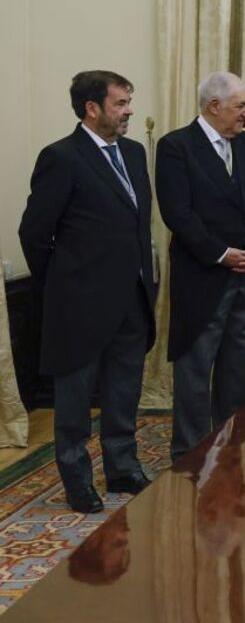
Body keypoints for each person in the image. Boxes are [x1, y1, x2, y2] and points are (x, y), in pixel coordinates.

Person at [19, 70, 157, 513]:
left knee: (124, 392)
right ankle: (77, 480)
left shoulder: (134, 153)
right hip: (79, 304)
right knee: (75, 400)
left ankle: (123, 468)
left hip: (132, 300)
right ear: (92, 108)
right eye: (121, 103)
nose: (129, 110)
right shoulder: (61, 157)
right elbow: (35, 233)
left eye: (129, 102)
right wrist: (62, 284)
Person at [157, 71, 245, 461]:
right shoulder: (177, 146)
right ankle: (190, 456)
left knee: (240, 370)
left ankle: (232, 448)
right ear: (214, 106)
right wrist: (221, 253)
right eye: (241, 106)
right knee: (195, 371)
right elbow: (178, 213)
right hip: (203, 278)